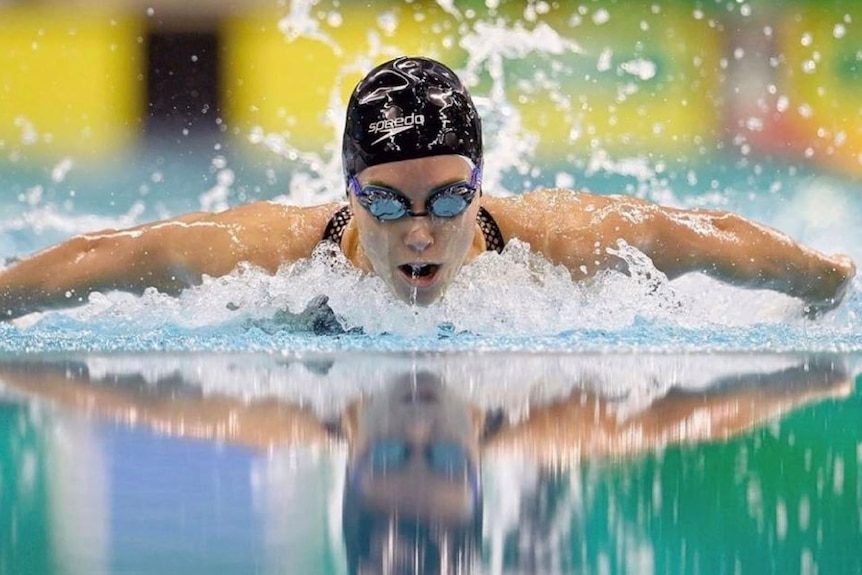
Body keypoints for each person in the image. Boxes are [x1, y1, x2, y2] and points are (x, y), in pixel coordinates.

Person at [0, 56, 855, 321]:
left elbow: (707, 236)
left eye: (449, 199)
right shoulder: (270, 256)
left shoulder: (556, 241)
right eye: (387, 201)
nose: (419, 231)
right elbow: (107, 256)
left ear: (482, 189)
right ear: (350, 191)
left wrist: (834, 282)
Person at [0, 354, 853, 573]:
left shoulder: (535, 246)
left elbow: (696, 244)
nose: (416, 422)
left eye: (449, 198)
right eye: (436, 449)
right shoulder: (296, 256)